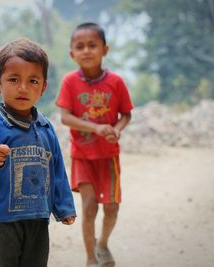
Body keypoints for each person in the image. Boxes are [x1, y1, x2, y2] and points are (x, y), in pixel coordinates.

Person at [0, 38, 76, 267]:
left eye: (32, 81)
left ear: (43, 87)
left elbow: (57, 170)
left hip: (37, 219)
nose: (23, 88)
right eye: (13, 79)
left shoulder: (45, 127)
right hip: (1, 220)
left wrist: (64, 206)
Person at [56, 22, 134, 267]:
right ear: (72, 54)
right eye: (80, 46)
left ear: (105, 49)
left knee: (111, 207)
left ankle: (102, 244)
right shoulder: (70, 81)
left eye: (93, 45)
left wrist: (116, 131)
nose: (87, 50)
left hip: (109, 155)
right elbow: (65, 117)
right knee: (89, 207)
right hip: (82, 155)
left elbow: (126, 115)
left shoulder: (116, 82)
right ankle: (90, 259)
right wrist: (97, 128)